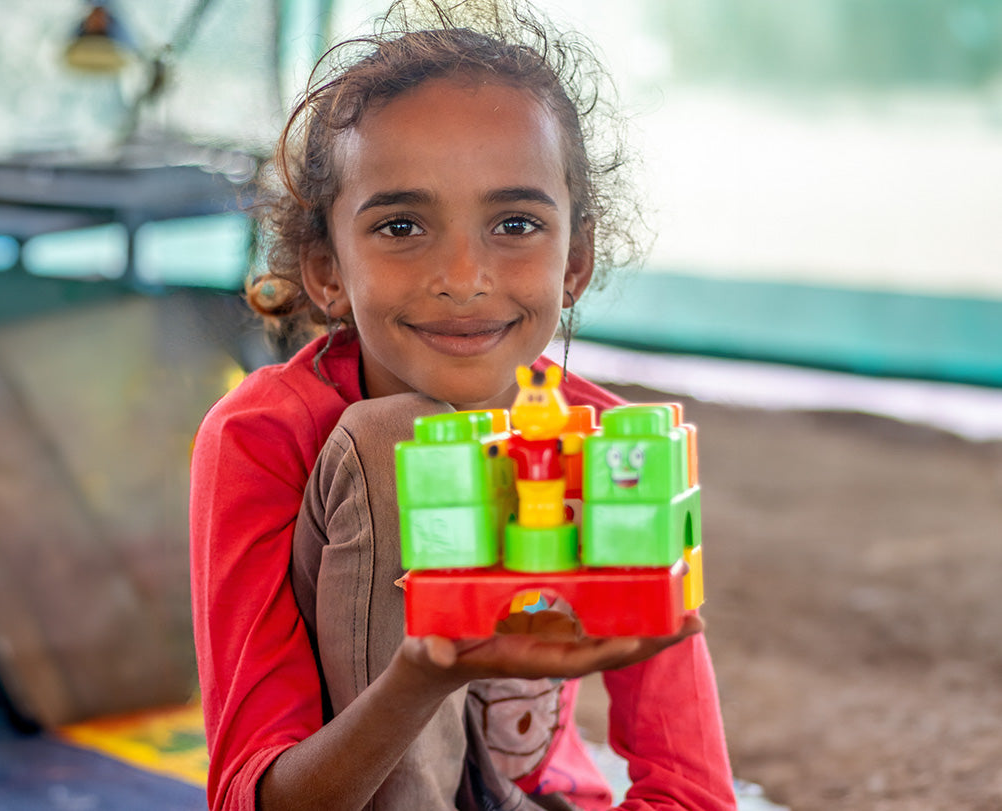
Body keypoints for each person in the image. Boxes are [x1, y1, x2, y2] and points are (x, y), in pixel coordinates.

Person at [189, 2, 736, 809]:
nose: (463, 276)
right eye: (402, 224)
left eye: (514, 222)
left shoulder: (610, 447)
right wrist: (419, 678)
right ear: (327, 270)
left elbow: (690, 788)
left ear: (575, 260)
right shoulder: (262, 435)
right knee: (399, 437)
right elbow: (252, 798)